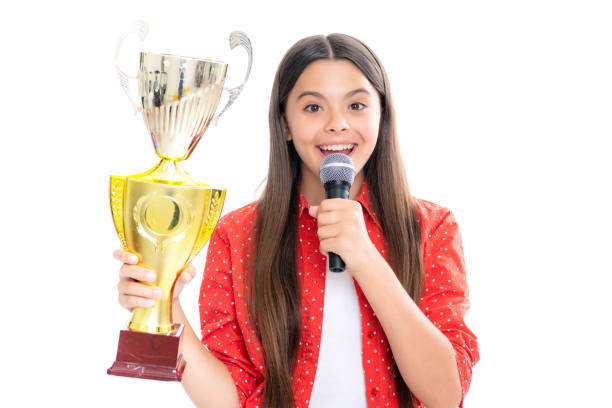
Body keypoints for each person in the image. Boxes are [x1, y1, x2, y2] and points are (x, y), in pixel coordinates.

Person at [115, 33, 479, 408]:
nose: (337, 124)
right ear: (285, 124)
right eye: (313, 108)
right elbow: (229, 400)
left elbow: (445, 394)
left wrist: (365, 258)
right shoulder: (238, 235)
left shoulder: (431, 227)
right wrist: (166, 305)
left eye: (356, 104)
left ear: (382, 115)